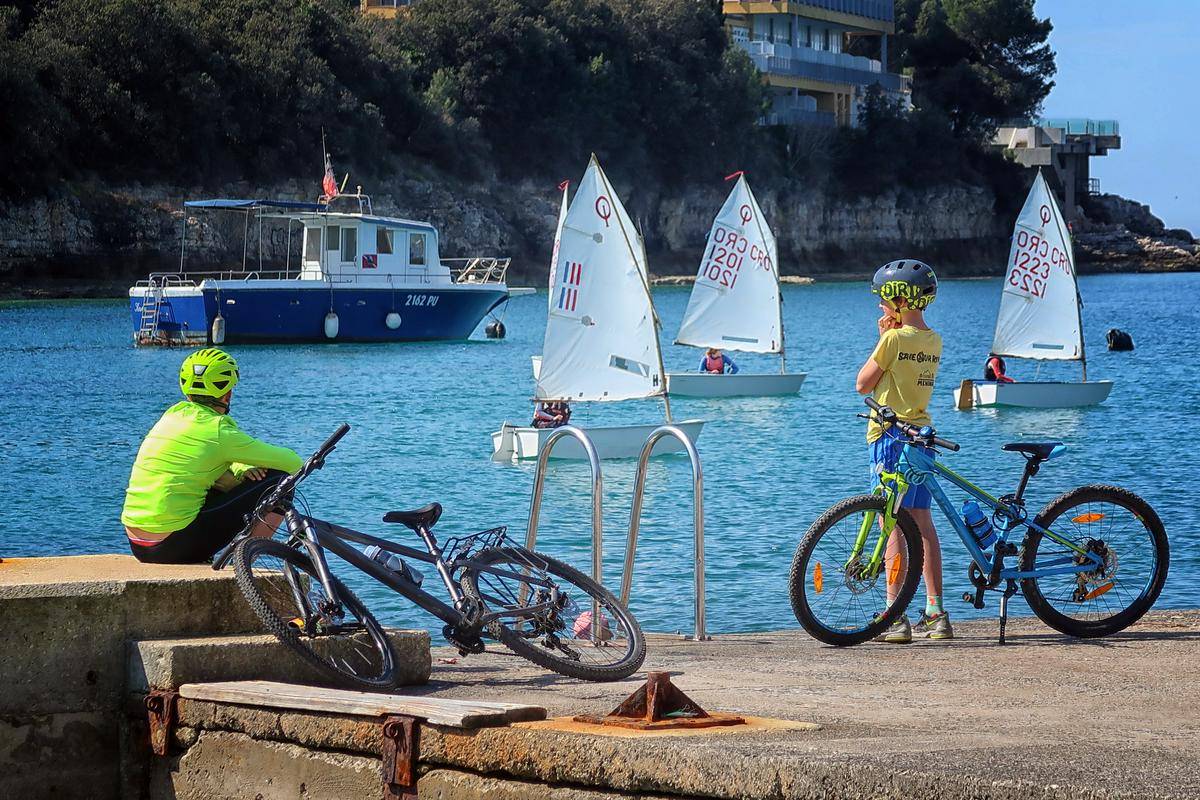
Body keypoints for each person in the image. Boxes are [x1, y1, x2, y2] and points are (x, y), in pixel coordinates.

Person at [121, 348, 304, 564]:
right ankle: (245, 563)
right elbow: (294, 464)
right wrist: (244, 468)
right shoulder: (218, 430)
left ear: (187, 392)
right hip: (172, 546)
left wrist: (240, 468)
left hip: (138, 544)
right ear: (227, 394)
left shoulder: (172, 416)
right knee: (280, 483)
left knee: (210, 477)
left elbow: (207, 458)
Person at [854, 259, 952, 643]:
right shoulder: (934, 340)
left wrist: (882, 337)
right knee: (923, 523)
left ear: (899, 299)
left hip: (891, 437)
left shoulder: (892, 340)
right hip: (923, 435)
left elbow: (863, 384)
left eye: (883, 299)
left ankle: (894, 614)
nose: (880, 305)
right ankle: (935, 610)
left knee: (889, 523)